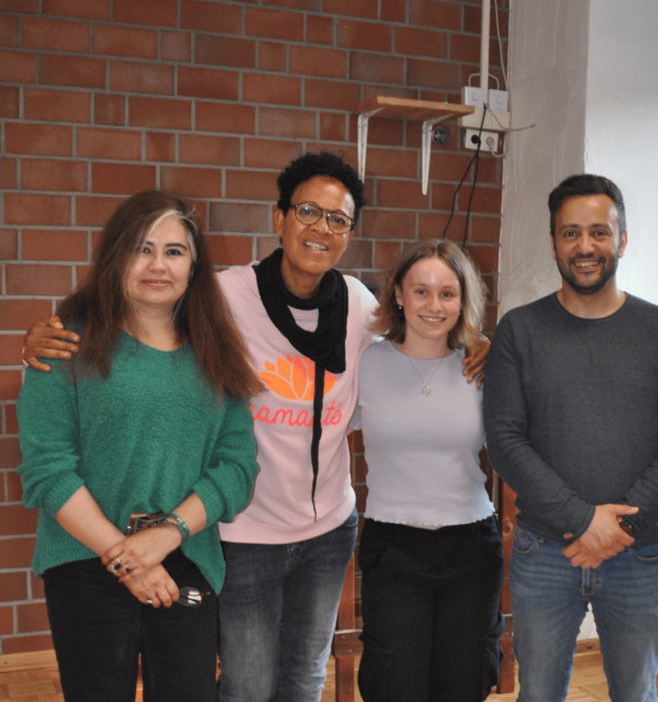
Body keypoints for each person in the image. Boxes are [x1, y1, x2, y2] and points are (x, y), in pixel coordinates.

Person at [22, 152, 488, 702]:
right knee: (245, 686)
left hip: (325, 530)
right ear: (280, 218)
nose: (321, 228)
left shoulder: (361, 306)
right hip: (245, 534)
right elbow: (126, 341)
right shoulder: (222, 298)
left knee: (303, 679)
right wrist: (40, 340)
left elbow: (416, 346)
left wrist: (476, 343)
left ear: (349, 234)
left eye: (337, 219)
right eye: (308, 211)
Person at [16, 191, 261, 702]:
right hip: (84, 561)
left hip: (185, 555)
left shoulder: (216, 351)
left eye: (174, 251)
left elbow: (236, 467)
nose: (158, 265)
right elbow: (48, 470)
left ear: (194, 267)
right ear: (115, 257)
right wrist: (125, 558)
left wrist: (166, 535)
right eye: (141, 248)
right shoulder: (66, 344)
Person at [483, 174, 658, 702]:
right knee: (537, 694)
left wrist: (617, 527)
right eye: (570, 233)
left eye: (600, 232)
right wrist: (583, 520)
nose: (585, 247)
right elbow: (505, 440)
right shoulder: (519, 330)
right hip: (544, 554)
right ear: (554, 241)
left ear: (622, 240)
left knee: (636, 692)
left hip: (640, 553)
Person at [352, 239, 503, 702]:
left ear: (463, 301)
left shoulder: (483, 367)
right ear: (398, 294)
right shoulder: (365, 362)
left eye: (447, 293)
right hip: (393, 546)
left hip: (471, 547)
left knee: (464, 684)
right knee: (394, 683)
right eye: (421, 291)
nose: (433, 305)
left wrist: (495, 351)